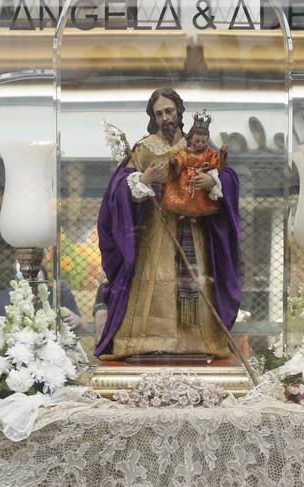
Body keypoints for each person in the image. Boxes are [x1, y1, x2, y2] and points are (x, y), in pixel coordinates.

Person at [95, 88, 241, 359]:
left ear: (179, 112)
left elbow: (226, 173)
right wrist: (143, 180)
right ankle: (146, 342)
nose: (166, 117)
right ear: (153, 116)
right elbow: (116, 190)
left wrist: (214, 181)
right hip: (156, 231)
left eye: (169, 111)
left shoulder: (196, 144)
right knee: (156, 282)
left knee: (196, 282)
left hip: (193, 231)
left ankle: (199, 342)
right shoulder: (144, 148)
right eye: (159, 113)